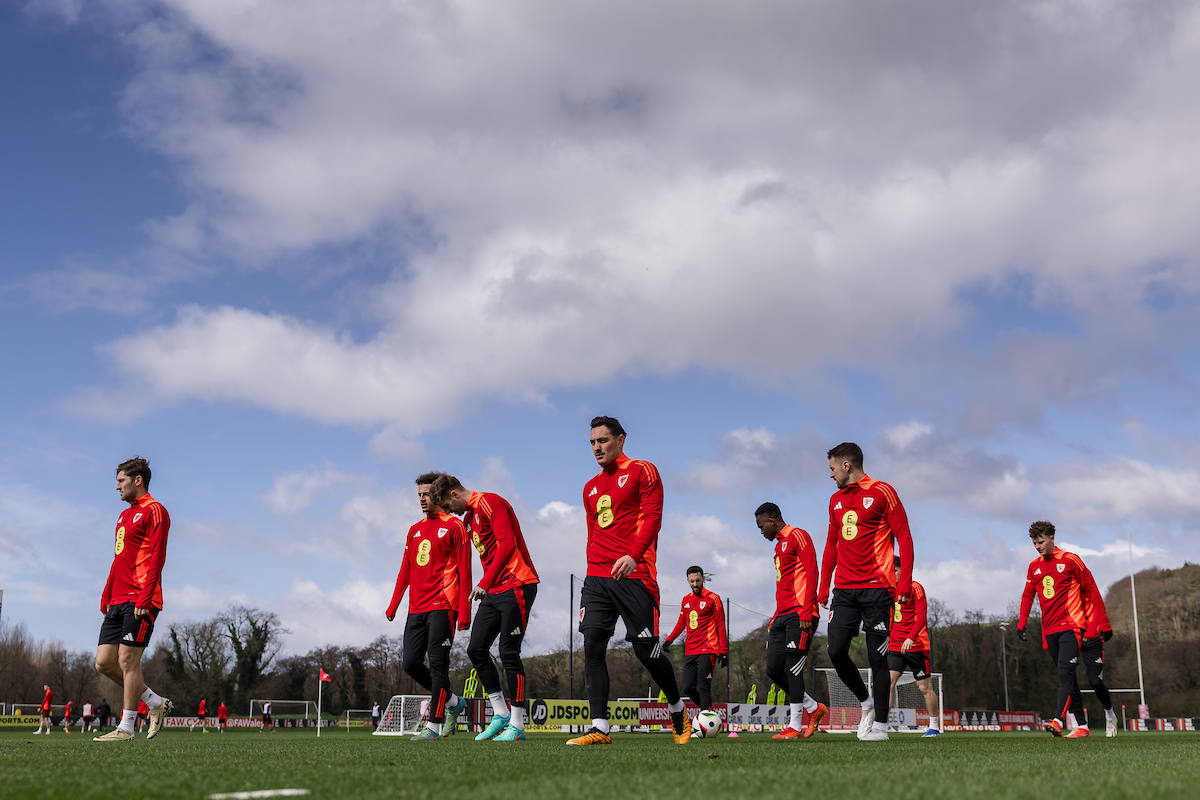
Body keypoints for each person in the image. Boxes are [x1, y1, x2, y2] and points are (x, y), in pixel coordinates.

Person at [569, 416, 689, 746]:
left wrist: (634, 555)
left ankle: (677, 708)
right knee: (592, 645)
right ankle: (600, 728)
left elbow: (653, 517)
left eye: (603, 441)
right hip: (597, 578)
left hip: (635, 575)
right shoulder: (589, 488)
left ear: (621, 440)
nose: (597, 447)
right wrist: (592, 568)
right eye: (592, 442)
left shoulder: (642, 470)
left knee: (646, 652)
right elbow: (592, 534)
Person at [431, 473, 539, 743]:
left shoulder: (490, 502)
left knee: (508, 652)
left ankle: (517, 724)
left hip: (517, 582)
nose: (447, 512)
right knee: (476, 648)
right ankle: (501, 714)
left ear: (455, 494)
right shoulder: (468, 520)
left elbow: (507, 543)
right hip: (493, 590)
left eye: (446, 506)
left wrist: (484, 581)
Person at [819, 442, 914, 742]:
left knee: (878, 659)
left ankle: (881, 729)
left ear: (847, 465)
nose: (830, 474)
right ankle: (866, 702)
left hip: (878, 590)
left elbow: (904, 536)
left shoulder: (883, 491)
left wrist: (905, 581)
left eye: (832, 467)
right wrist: (824, 584)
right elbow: (831, 545)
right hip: (844, 590)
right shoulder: (834, 499)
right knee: (835, 650)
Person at [386, 473, 473, 742]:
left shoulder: (455, 527)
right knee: (410, 663)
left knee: (438, 667)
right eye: (419, 495)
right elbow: (406, 570)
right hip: (416, 608)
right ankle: (454, 703)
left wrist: (465, 612)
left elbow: (465, 571)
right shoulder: (413, 530)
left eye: (427, 493)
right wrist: (394, 603)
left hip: (443, 606)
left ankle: (433, 727)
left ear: (439, 494)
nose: (422, 499)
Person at [93, 457, 173, 742]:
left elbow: (157, 558)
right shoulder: (123, 516)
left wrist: (146, 594)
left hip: (141, 598)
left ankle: (126, 728)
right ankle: (154, 702)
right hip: (116, 599)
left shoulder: (156, 511)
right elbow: (118, 560)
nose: (117, 487)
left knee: (127, 660)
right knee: (103, 663)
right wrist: (106, 593)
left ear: (137, 480)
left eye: (121, 480)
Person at [1017, 520, 1117, 738]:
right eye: (1034, 543)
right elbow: (1028, 594)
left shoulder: (1071, 560)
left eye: (1041, 542)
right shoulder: (1033, 566)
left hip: (1073, 626)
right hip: (1050, 630)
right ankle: (1082, 726)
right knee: (1068, 679)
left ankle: (1059, 720)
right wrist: (1021, 622)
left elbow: (1092, 589)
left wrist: (1102, 624)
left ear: (1052, 537)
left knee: (1075, 676)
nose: (1038, 546)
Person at [755, 503, 829, 740]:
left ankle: (795, 726)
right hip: (782, 616)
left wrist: (808, 610)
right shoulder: (778, 547)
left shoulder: (799, 536)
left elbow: (811, 572)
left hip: (801, 614)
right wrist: (775, 615)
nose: (761, 531)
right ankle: (813, 708)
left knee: (792, 668)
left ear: (772, 521)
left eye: (761, 526)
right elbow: (785, 585)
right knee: (773, 669)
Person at [886, 556, 940, 737]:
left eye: (895, 570)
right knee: (887, 684)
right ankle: (881, 726)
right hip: (894, 645)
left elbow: (922, 615)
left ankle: (934, 727)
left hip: (916, 644)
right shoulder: (888, 590)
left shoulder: (915, 588)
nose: (892, 574)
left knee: (925, 688)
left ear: (903, 569)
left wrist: (911, 637)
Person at [663, 566, 727, 712]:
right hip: (690, 650)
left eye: (698, 580)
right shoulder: (685, 599)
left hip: (708, 648)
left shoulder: (713, 598)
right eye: (692, 581)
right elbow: (681, 623)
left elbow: (721, 625)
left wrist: (724, 651)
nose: (695, 584)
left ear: (703, 579)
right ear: (688, 581)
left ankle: (707, 717)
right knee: (688, 687)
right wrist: (669, 640)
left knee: (703, 685)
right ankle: (709, 712)